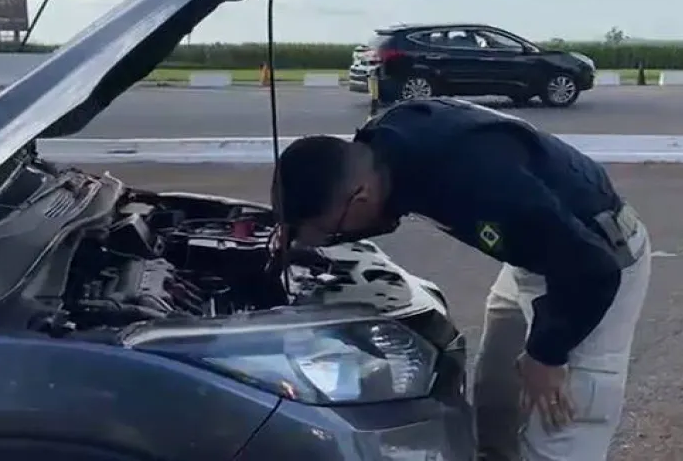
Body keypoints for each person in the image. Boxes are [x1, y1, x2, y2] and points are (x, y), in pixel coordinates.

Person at [270, 97, 652, 461]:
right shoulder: (382, 147)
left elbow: (594, 267)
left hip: (589, 268)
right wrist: (292, 232)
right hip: (537, 250)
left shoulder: (479, 182)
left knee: (558, 420)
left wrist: (548, 355)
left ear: (361, 198)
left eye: (331, 231)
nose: (335, 238)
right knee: (498, 400)